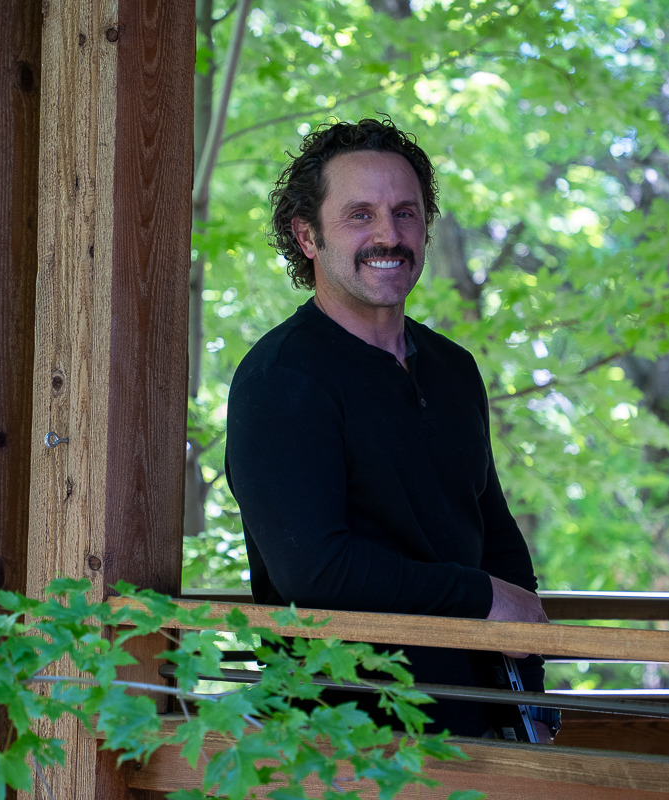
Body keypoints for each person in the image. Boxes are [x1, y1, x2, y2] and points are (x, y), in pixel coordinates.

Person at [225, 117, 553, 739]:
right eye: (360, 216)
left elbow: (493, 534)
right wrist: (481, 597)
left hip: (478, 721)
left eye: (406, 213)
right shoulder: (280, 378)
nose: (389, 235)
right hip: (344, 735)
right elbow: (315, 572)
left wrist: (526, 687)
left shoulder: (453, 368)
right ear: (307, 236)